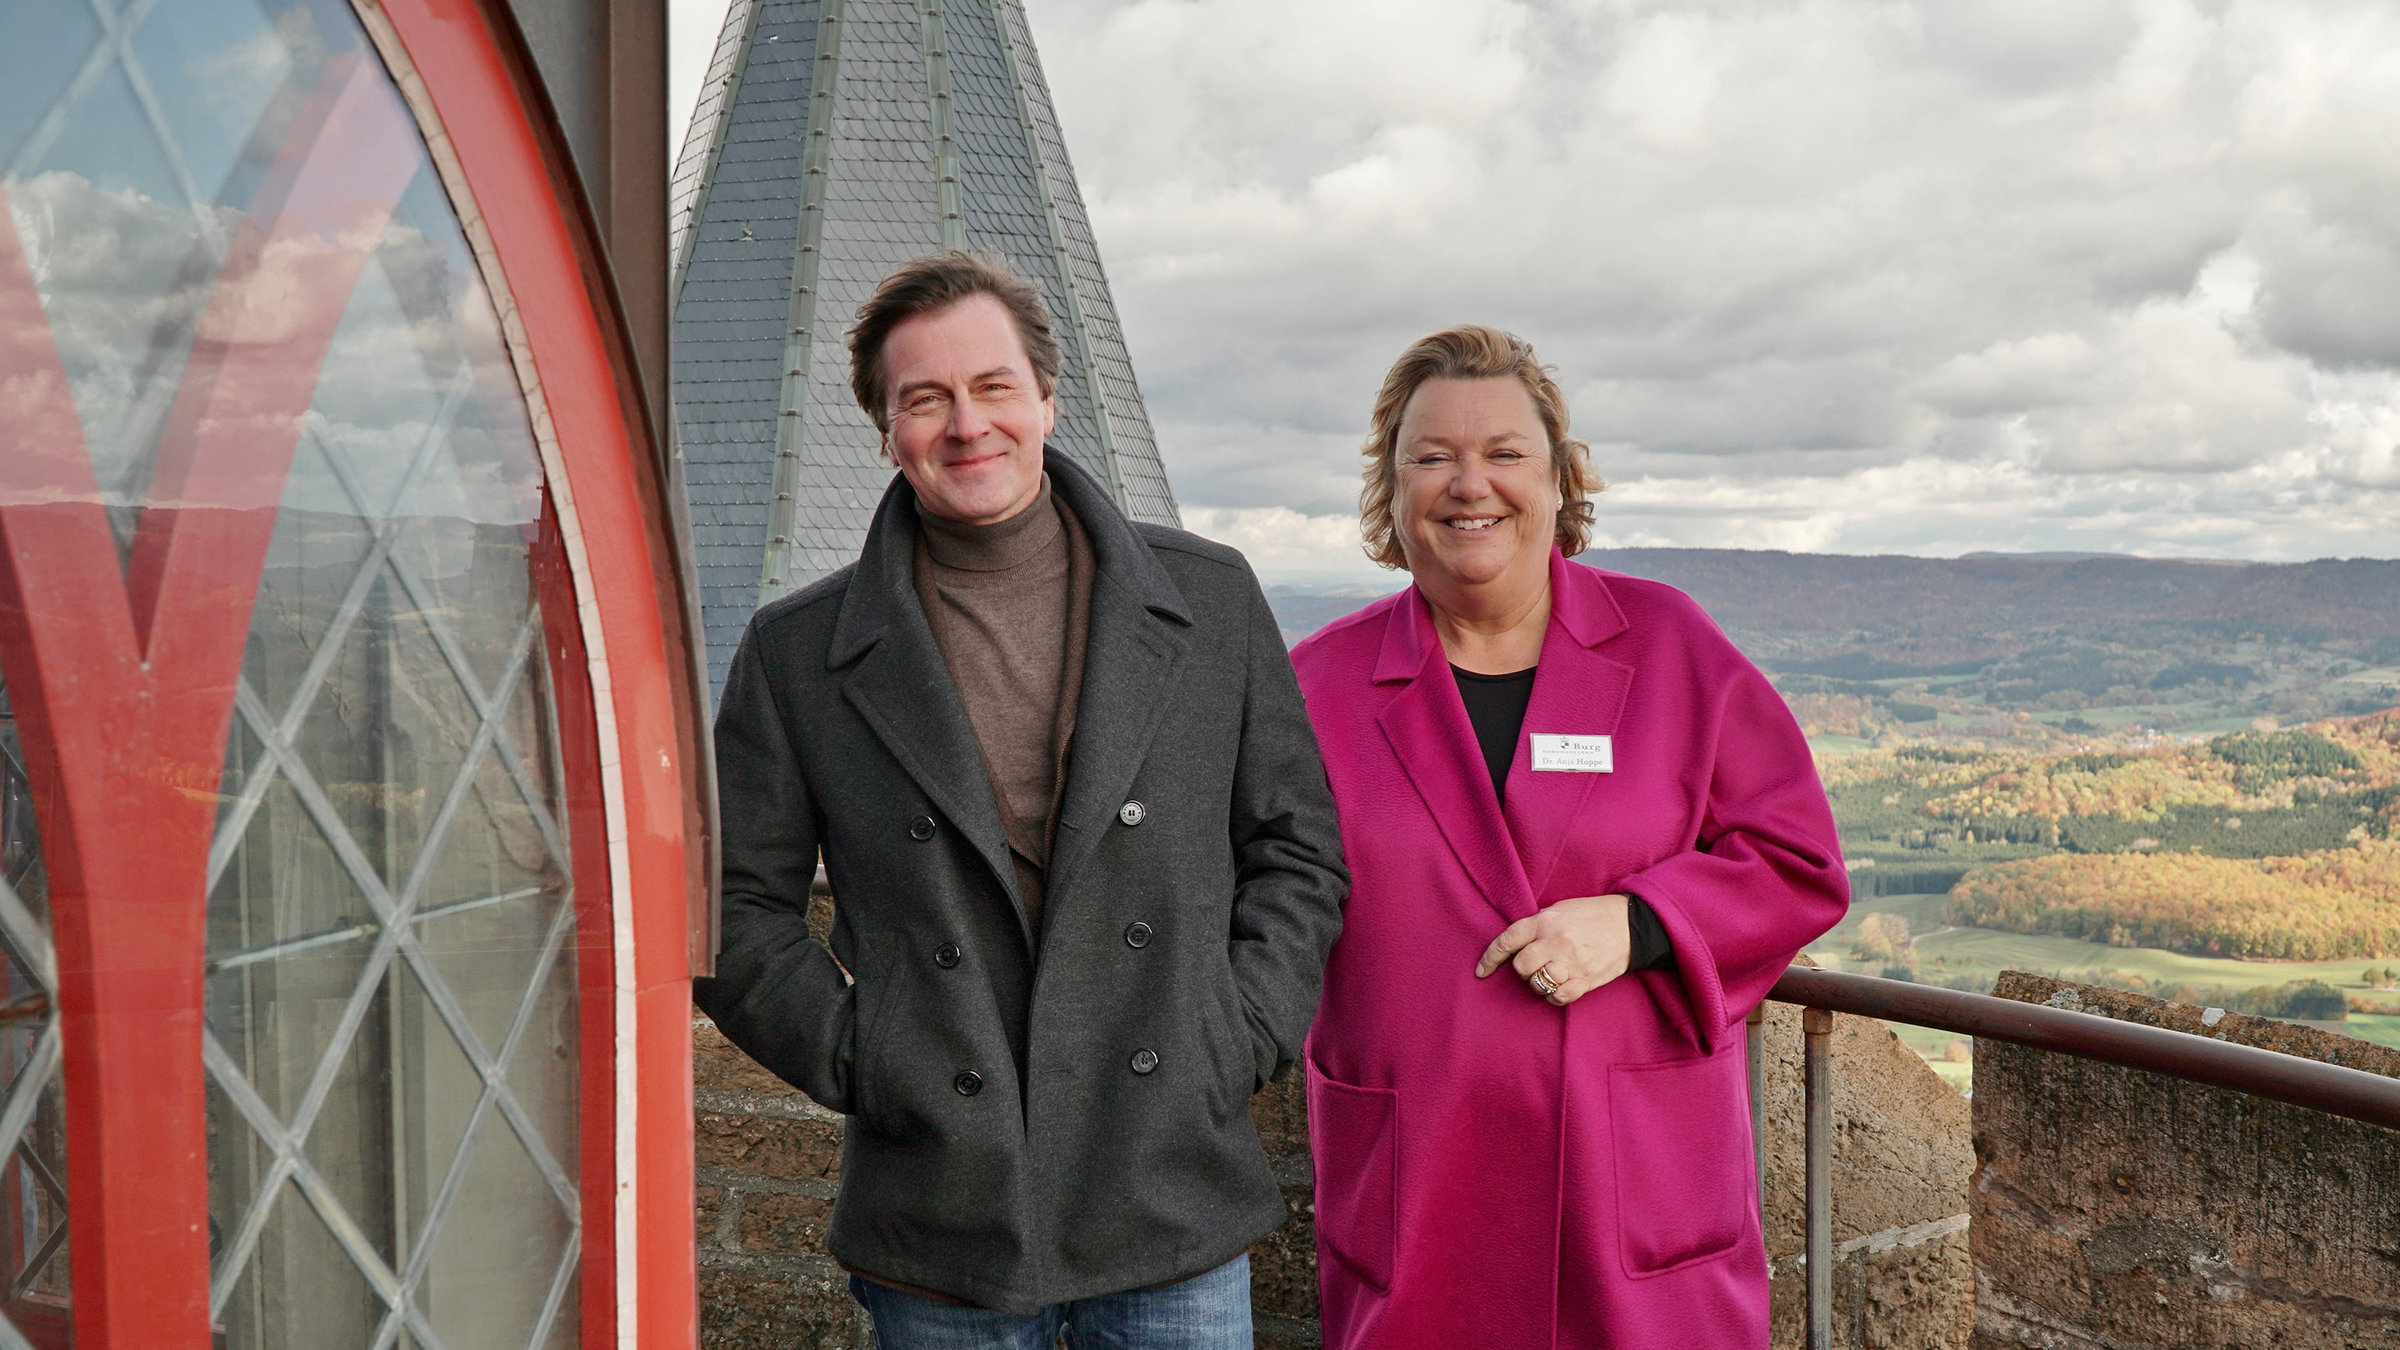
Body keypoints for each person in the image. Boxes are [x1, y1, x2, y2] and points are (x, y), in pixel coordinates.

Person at [696, 252, 1348, 1346]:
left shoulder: (1209, 597)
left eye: (994, 387)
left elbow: (1297, 851)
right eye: (926, 399)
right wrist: (867, 1058)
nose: (967, 424)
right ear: (886, 428)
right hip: (945, 1214)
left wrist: (1231, 1040)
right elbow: (728, 908)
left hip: (1169, 1193)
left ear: (1046, 398)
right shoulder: (798, 652)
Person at [1289, 325, 1848, 1349]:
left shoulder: (1671, 646)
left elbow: (1798, 862)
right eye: (1432, 457)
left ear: (1557, 483)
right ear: (1392, 489)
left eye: (1504, 454)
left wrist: (1641, 924)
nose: (1471, 485)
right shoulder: (1315, 686)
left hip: (1633, 1198)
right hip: (1420, 1202)